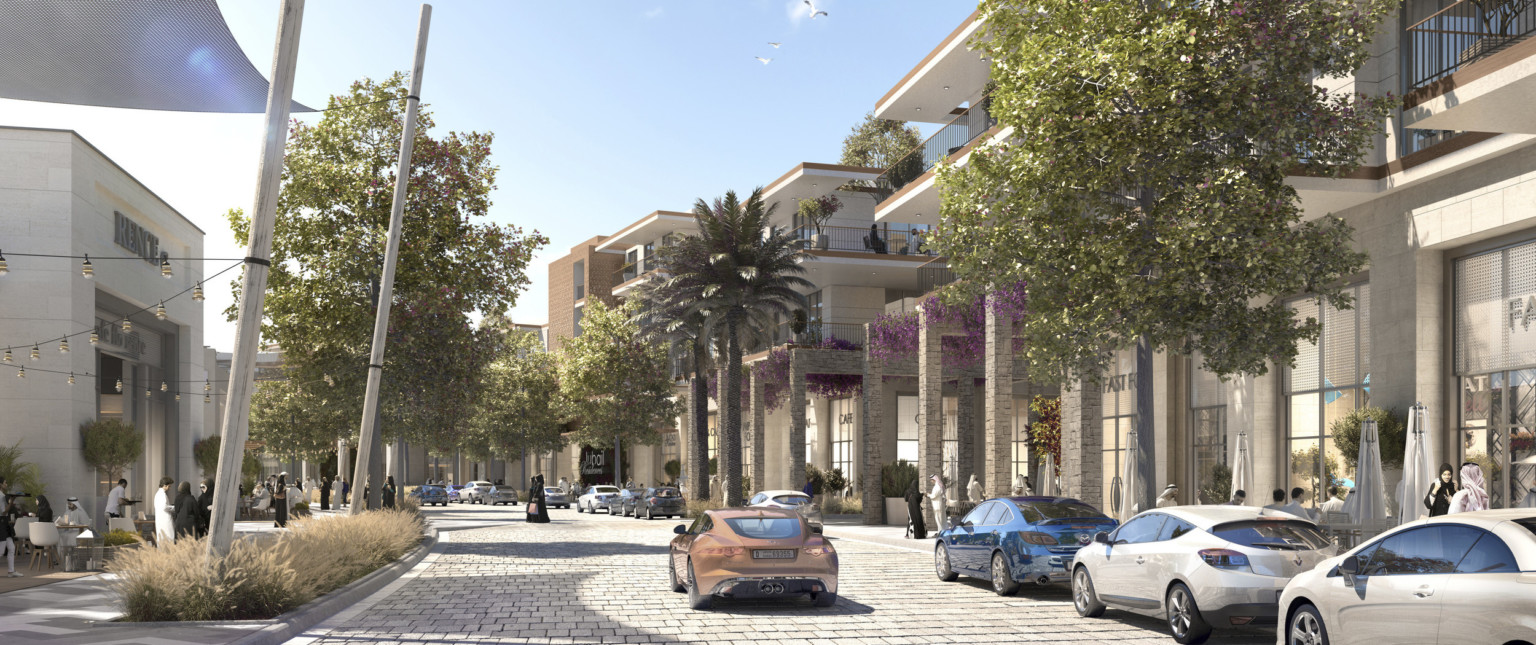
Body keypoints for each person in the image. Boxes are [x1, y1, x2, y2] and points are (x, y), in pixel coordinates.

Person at [2, 495, 21, 577]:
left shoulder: (11, 508)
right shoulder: (4, 509)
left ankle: (11, 571)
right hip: (2, 530)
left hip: (8, 530)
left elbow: (17, 517)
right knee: (1, 551)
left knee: (12, 548)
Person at [153, 477, 175, 547]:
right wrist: (174, 508)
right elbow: (164, 507)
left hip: (160, 519)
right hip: (165, 520)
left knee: (162, 539)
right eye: (169, 486)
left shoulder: (157, 494)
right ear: (165, 485)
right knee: (169, 538)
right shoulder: (162, 495)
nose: (170, 488)